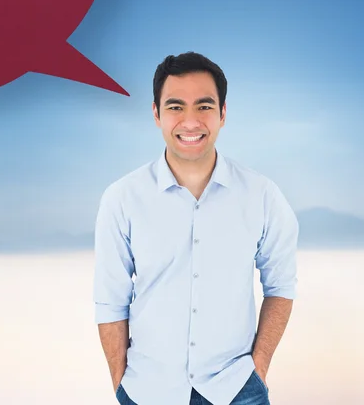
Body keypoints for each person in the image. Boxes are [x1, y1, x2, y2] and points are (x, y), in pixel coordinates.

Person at [93, 52, 299, 405]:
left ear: (223, 113)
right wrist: (120, 384)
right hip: (147, 391)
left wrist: (259, 367)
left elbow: (280, 285)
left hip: (237, 389)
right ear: (156, 113)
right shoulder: (122, 198)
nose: (190, 121)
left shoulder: (262, 195)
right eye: (175, 107)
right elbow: (110, 300)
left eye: (204, 106)